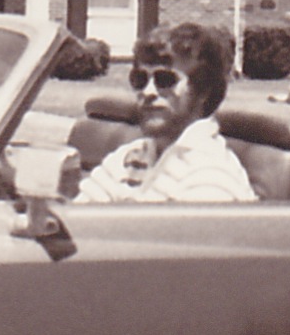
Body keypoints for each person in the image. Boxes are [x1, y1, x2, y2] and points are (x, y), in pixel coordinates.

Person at [75, 22, 256, 203]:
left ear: (203, 91)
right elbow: (78, 217)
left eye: (165, 80)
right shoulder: (132, 155)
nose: (148, 92)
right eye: (140, 79)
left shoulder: (211, 174)